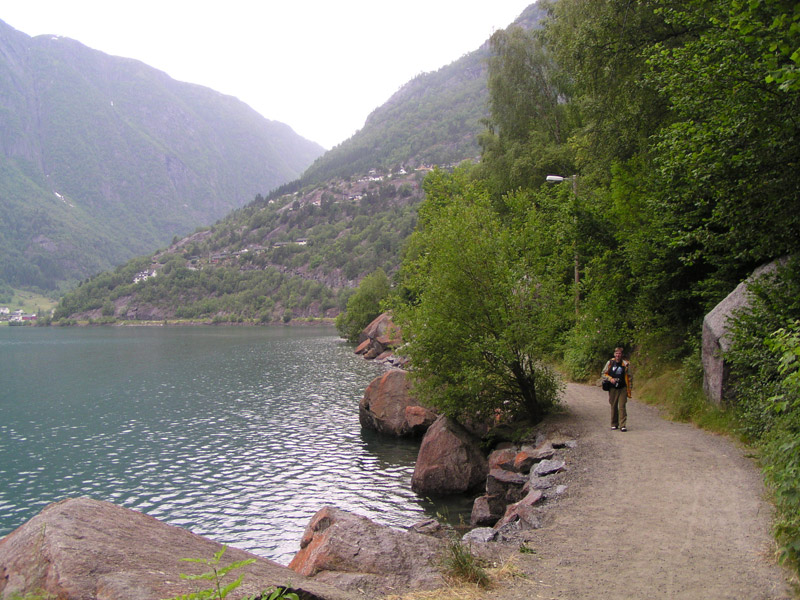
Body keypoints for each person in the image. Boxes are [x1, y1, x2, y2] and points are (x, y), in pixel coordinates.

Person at [602, 347, 633, 431]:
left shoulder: (626, 364)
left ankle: (623, 425)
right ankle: (614, 424)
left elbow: (630, 377)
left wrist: (629, 389)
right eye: (616, 353)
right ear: (614, 354)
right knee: (613, 405)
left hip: (623, 388)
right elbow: (603, 374)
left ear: (621, 355)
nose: (618, 355)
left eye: (619, 353)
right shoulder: (610, 363)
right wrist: (610, 379)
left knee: (622, 406)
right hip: (612, 388)